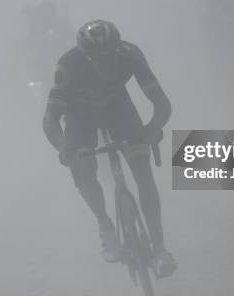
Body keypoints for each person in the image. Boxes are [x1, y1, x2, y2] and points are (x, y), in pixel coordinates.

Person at [42, 19, 177, 276]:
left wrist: (152, 129)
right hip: (80, 115)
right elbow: (50, 120)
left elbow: (162, 103)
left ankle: (159, 249)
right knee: (82, 166)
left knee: (142, 170)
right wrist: (64, 147)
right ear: (86, 57)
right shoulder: (68, 65)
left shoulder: (131, 55)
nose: (105, 62)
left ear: (118, 50)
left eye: (109, 57)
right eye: (97, 58)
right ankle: (105, 224)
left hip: (119, 109)